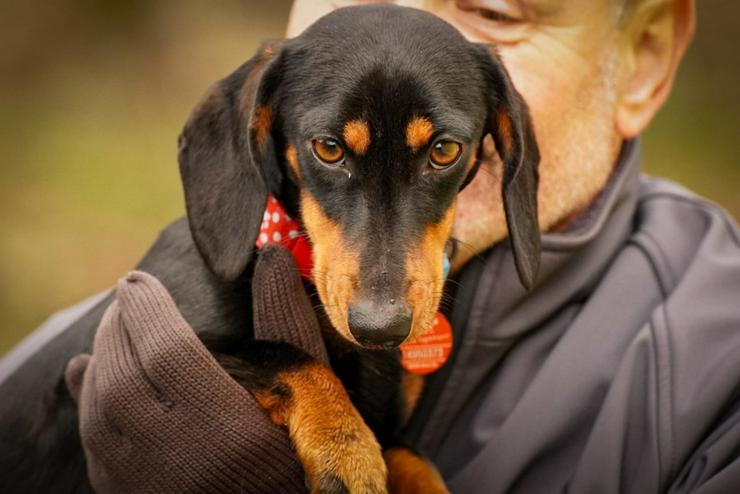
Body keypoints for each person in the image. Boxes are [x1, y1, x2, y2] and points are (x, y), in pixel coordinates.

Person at [2, 0, 739, 492]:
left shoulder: (719, 395)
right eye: (331, 147)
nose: (399, 27)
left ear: (645, 55)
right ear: (269, 127)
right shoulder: (131, 311)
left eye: (493, 6)